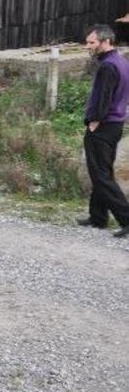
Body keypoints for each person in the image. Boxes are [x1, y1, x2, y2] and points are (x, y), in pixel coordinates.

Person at [77, 24, 129, 238]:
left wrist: (94, 121)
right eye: (88, 42)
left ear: (105, 42)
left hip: (104, 125)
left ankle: (126, 217)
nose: (88, 46)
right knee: (102, 171)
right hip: (115, 124)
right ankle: (98, 217)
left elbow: (104, 97)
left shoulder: (108, 66)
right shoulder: (122, 62)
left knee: (100, 175)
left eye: (92, 42)